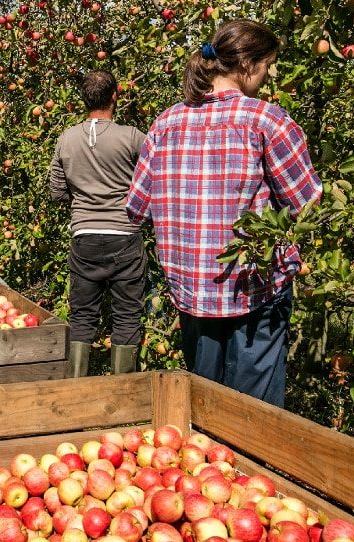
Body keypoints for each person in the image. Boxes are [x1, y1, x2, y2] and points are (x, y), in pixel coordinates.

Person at [126, 20, 323, 407]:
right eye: (267, 65)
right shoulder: (267, 120)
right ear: (248, 64)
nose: (267, 76)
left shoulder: (166, 124)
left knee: (203, 406)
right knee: (254, 414)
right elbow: (307, 205)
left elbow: (136, 208)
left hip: (192, 291)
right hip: (255, 287)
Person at [49, 70, 148, 377]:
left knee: (82, 316)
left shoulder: (67, 139)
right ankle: (121, 394)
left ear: (83, 100)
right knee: (127, 315)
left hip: (85, 236)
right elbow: (153, 176)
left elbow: (56, 191)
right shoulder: (131, 137)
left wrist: (83, 202)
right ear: (114, 96)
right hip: (124, 235)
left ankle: (78, 387)